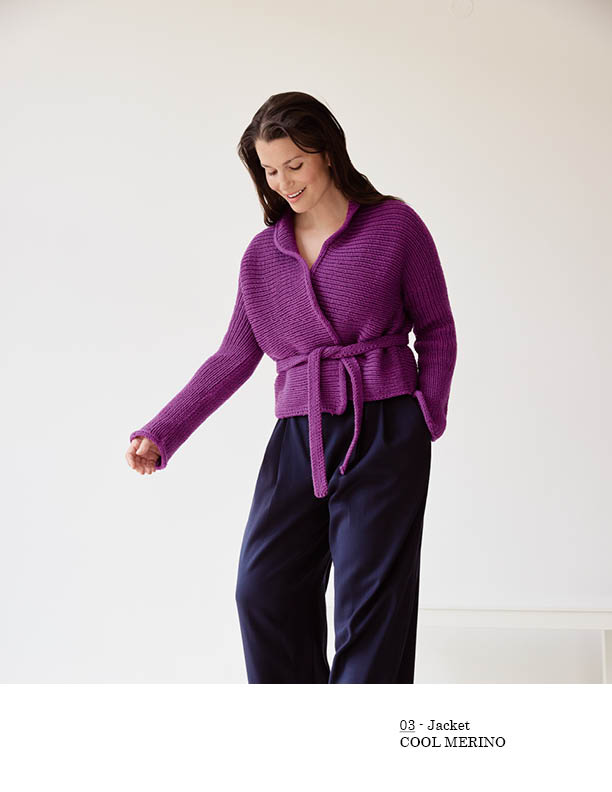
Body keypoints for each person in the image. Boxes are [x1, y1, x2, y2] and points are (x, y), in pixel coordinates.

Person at [126, 91, 457, 683]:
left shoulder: (394, 226)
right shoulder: (262, 256)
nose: (283, 182)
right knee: (263, 590)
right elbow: (234, 355)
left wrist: (424, 415)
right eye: (270, 170)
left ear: (328, 151)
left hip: (384, 428)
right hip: (298, 435)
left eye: (294, 165)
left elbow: (436, 327)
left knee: (369, 606)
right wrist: (163, 431)